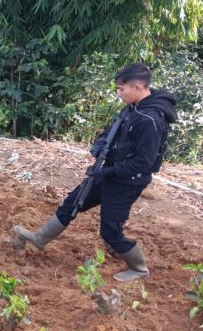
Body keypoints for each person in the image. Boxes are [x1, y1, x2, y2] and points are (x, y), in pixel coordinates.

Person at [10, 63, 177, 282]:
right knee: (72, 203)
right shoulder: (133, 107)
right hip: (107, 173)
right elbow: (112, 131)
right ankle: (40, 238)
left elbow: (143, 162)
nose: (119, 93)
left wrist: (108, 171)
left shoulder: (150, 120)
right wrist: (99, 146)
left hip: (126, 182)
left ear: (137, 87)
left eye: (121, 88)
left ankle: (139, 268)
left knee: (110, 231)